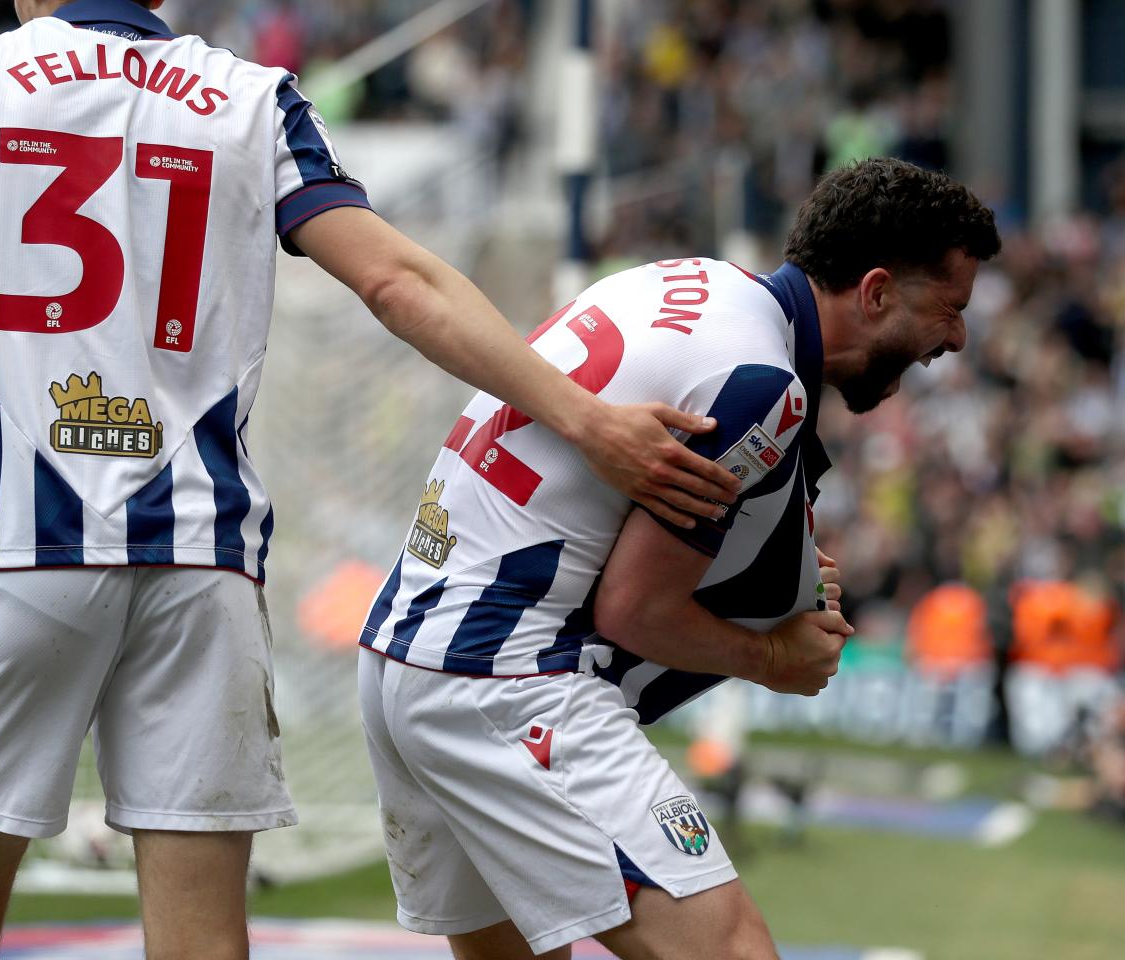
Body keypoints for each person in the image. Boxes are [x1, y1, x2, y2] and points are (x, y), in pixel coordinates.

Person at [0, 2, 744, 959]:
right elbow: (400, 283)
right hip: (201, 565)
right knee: (201, 943)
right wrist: (587, 419)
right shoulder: (252, 98)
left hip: (14, 548)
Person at [358, 157, 1001, 960]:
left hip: (401, 653)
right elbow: (636, 610)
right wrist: (771, 656)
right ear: (874, 292)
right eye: (950, 308)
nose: (958, 337)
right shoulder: (765, 384)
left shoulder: (692, 283)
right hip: (500, 673)